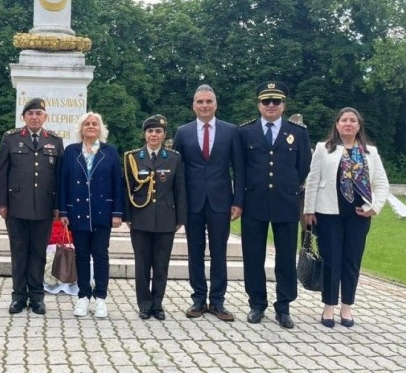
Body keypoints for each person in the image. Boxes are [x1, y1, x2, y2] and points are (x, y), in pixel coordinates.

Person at [303, 107, 389, 328]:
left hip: (358, 215)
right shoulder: (324, 149)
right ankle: (329, 305)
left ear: (359, 126)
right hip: (328, 212)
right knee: (331, 259)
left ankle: (347, 306)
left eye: (353, 120)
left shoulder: (370, 152)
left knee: (351, 260)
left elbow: (381, 184)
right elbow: (313, 180)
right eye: (344, 120)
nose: (348, 124)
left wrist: (374, 207)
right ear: (337, 125)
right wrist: (309, 210)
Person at [239, 81, 311, 329]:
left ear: (283, 105)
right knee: (253, 257)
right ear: (259, 104)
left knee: (285, 258)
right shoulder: (245, 132)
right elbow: (240, 170)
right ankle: (257, 304)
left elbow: (303, 167)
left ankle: (284, 306)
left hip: (285, 203)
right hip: (254, 202)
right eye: (266, 101)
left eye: (276, 101)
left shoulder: (298, 132)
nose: (271, 105)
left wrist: (288, 188)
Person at [173, 84, 244, 321]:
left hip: (221, 201)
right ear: (193, 105)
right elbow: (177, 171)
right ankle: (197, 300)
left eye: (209, 102)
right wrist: (178, 204)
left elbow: (239, 169)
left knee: (219, 252)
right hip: (192, 203)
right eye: (200, 102)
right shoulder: (182, 132)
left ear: (216, 104)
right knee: (194, 252)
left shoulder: (231, 131)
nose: (204, 106)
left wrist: (238, 201)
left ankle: (217, 302)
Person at [0, 98, 64, 315]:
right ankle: (18, 297)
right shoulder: (11, 138)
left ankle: (36, 297)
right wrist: (2, 203)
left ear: (45, 117)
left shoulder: (55, 140)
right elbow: (2, 173)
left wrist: (57, 206)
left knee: (38, 253)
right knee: (18, 252)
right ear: (23, 117)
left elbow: (59, 178)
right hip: (16, 207)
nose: (34, 117)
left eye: (38, 113)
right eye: (30, 114)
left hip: (44, 208)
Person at [59, 112, 124, 318]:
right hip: (78, 212)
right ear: (81, 128)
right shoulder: (71, 151)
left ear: (100, 128)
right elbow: (63, 182)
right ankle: (83, 296)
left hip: (102, 212)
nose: (90, 126)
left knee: (101, 254)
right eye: (87, 123)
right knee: (82, 255)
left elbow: (117, 184)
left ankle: (101, 298)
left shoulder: (110, 152)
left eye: (94, 123)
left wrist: (117, 212)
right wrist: (63, 210)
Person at [123, 115, 187, 321]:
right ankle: (144, 304)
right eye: (150, 131)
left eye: (158, 131)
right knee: (142, 265)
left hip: (166, 218)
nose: (154, 135)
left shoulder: (174, 158)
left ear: (164, 135)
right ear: (145, 134)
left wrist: (180, 218)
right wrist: (127, 216)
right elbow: (127, 189)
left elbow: (180, 190)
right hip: (140, 217)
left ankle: (157, 304)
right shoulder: (133, 157)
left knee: (161, 264)